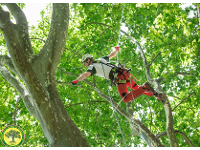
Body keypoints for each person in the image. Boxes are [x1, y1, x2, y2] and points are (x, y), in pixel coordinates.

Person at [71, 47, 162, 103]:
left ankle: (145, 87)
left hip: (119, 77)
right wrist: (116, 50)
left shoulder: (92, 67)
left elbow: (85, 74)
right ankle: (155, 94)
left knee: (126, 98)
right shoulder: (101, 59)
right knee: (135, 87)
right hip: (124, 73)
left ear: (87, 60)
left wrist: (77, 80)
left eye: (84, 64)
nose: (85, 66)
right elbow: (112, 55)